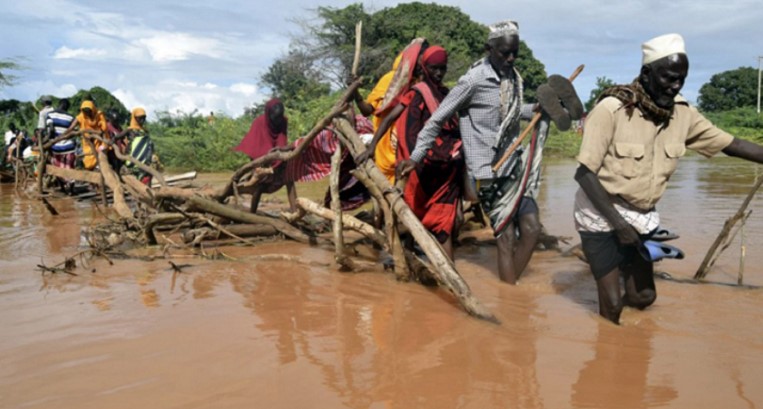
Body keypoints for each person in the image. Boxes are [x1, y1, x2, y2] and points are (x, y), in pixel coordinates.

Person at [573, 33, 763, 324]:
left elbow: (732, 145)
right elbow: (584, 174)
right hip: (599, 211)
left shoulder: (683, 115)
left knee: (643, 298)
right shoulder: (611, 109)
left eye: (681, 80)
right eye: (669, 78)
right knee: (612, 307)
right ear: (646, 72)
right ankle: (608, 338)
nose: (675, 87)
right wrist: (619, 225)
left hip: (641, 215)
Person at [398, 20, 580, 284]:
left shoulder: (512, 79)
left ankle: (511, 295)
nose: (511, 58)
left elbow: (513, 114)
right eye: (505, 53)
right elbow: (436, 120)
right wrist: (415, 158)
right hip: (487, 172)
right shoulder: (472, 81)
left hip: (513, 167)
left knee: (530, 230)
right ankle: (511, 299)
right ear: (489, 48)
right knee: (506, 239)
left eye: (514, 52)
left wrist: (540, 110)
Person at [390, 45, 463, 260]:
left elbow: (454, 125)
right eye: (434, 68)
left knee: (444, 224)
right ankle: (410, 259)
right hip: (421, 165)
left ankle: (450, 275)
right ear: (424, 67)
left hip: (446, 167)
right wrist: (372, 145)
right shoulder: (417, 93)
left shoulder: (446, 94)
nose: (439, 73)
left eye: (443, 68)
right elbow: (396, 120)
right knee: (412, 213)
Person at [353, 40, 425, 183]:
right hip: (386, 145)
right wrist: (355, 91)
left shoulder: (424, 83)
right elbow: (367, 110)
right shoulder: (389, 80)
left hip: (413, 146)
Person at [234, 98, 297, 213]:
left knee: (289, 179)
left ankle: (295, 211)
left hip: (277, 157)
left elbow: (282, 141)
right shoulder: (259, 123)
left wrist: (281, 157)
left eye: (280, 118)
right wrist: (266, 163)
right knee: (260, 186)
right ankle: (252, 213)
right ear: (269, 114)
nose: (278, 121)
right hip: (261, 159)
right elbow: (256, 147)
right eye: (275, 118)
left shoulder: (283, 121)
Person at [63, 100, 108, 171]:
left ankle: (97, 168)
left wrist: (95, 133)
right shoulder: (81, 117)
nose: (87, 113)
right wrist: (63, 135)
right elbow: (71, 127)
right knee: (87, 158)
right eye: (85, 111)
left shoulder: (99, 115)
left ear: (92, 109)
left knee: (98, 156)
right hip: (86, 141)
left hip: (97, 140)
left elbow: (104, 128)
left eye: (89, 111)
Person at [45, 98, 76, 193]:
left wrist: (47, 142)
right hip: (69, 147)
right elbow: (74, 132)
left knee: (58, 169)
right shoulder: (71, 117)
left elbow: (50, 130)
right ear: (67, 107)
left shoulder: (50, 115)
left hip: (56, 148)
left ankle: (63, 189)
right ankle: (71, 190)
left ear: (59, 104)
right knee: (70, 169)